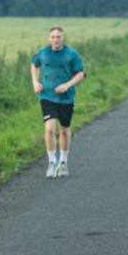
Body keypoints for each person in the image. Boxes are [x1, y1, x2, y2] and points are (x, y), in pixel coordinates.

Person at [31, 26, 85, 178]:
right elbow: (34, 64)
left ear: (63, 38)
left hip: (66, 97)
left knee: (64, 130)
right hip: (46, 95)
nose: (56, 39)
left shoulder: (71, 54)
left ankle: (63, 162)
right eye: (53, 37)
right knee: (49, 129)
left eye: (59, 37)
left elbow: (80, 73)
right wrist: (35, 82)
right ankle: (51, 162)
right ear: (49, 39)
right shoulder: (43, 53)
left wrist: (67, 85)